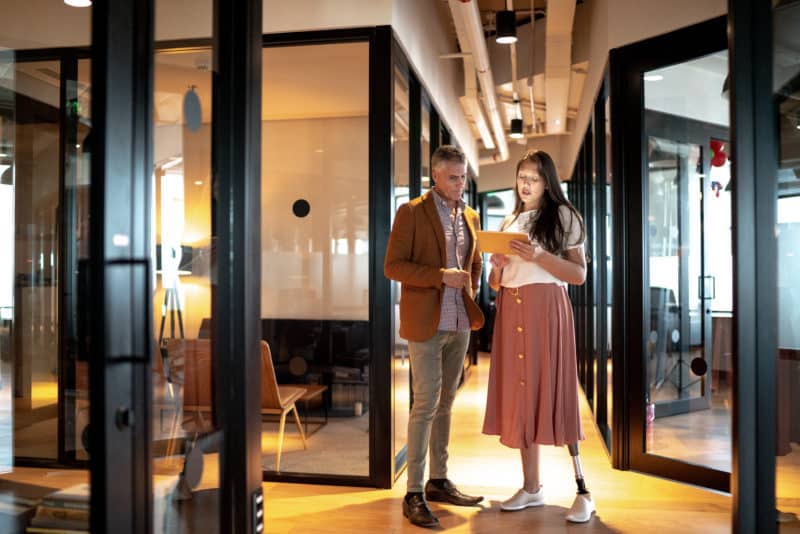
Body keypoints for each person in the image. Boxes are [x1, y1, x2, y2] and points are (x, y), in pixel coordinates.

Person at [482, 149, 595, 523]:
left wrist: (537, 255)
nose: (525, 184)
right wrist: (496, 268)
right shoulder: (510, 219)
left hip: (547, 307)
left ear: (548, 182)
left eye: (533, 177)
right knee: (521, 393)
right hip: (511, 308)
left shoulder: (565, 215)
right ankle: (532, 487)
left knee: (556, 388)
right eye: (521, 177)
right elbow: (497, 281)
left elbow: (578, 275)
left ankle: (583, 489)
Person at [385, 145, 485, 528]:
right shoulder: (411, 212)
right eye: (454, 177)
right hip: (426, 322)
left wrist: (469, 283)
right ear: (436, 177)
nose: (461, 184)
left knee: (446, 402)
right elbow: (392, 266)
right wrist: (441, 276)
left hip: (459, 321)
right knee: (425, 402)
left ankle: (438, 481)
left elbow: (475, 260)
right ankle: (413, 492)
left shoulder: (471, 215)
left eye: (463, 177)